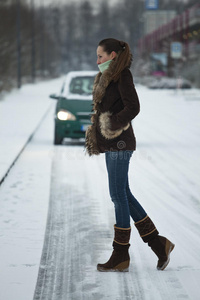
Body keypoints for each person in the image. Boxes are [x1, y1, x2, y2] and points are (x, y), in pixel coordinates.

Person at [85, 38, 175, 272]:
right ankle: (158, 244)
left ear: (112, 55)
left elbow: (133, 106)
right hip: (112, 143)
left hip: (119, 142)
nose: (97, 61)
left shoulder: (122, 75)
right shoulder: (107, 77)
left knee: (117, 195)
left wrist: (112, 124)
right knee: (123, 193)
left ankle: (121, 254)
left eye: (101, 56)